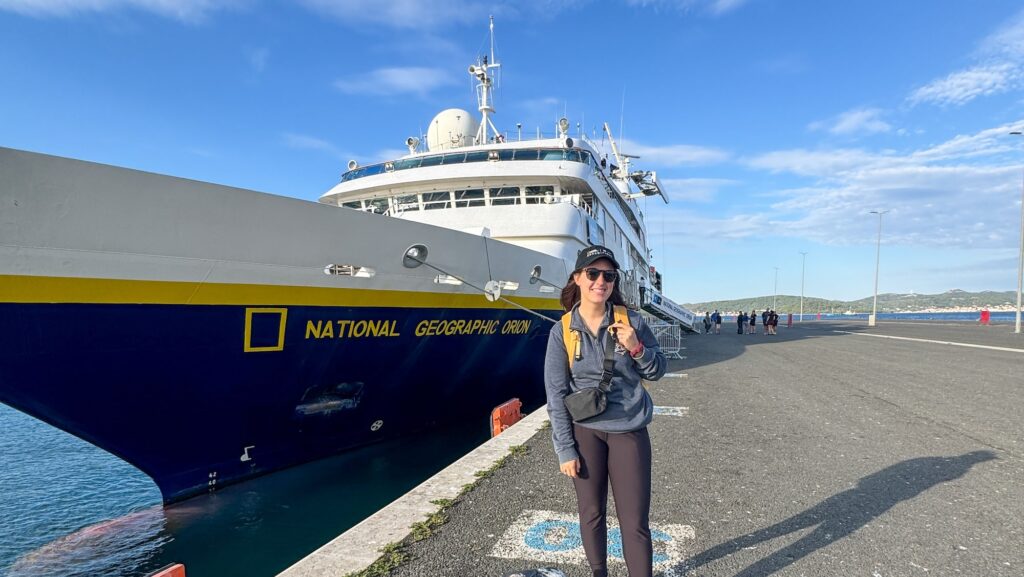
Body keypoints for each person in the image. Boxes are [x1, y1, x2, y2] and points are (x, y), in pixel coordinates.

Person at [545, 245, 667, 577]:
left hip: (628, 430)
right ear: (578, 279)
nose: (601, 281)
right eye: (593, 273)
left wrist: (636, 348)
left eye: (609, 276)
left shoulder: (632, 322)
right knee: (591, 513)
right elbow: (555, 395)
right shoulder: (563, 331)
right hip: (585, 432)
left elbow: (656, 371)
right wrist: (564, 449)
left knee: (635, 522)